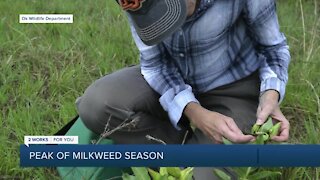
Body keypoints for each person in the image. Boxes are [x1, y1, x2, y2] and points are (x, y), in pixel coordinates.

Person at [77, 0, 290, 156]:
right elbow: (155, 64)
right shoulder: (137, 3)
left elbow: (273, 49)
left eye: (168, 12)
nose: (163, 24)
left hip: (232, 86)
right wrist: (195, 112)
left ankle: (191, 160)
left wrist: (270, 95)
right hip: (172, 78)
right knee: (96, 105)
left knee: (230, 149)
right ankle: (183, 152)